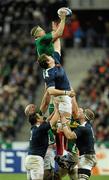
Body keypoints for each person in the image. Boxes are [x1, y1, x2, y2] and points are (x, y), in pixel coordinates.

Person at [60, 108, 97, 180]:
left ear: (84, 116)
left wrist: (63, 122)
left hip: (86, 157)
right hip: (88, 156)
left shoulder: (83, 128)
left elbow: (69, 136)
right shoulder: (86, 125)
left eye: (82, 112)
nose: (79, 112)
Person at [24, 103, 59, 180]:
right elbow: (54, 120)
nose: (42, 117)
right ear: (37, 119)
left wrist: (53, 112)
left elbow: (47, 120)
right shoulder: (41, 129)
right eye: (40, 116)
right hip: (36, 160)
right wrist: (58, 108)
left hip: (29, 159)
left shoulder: (34, 128)